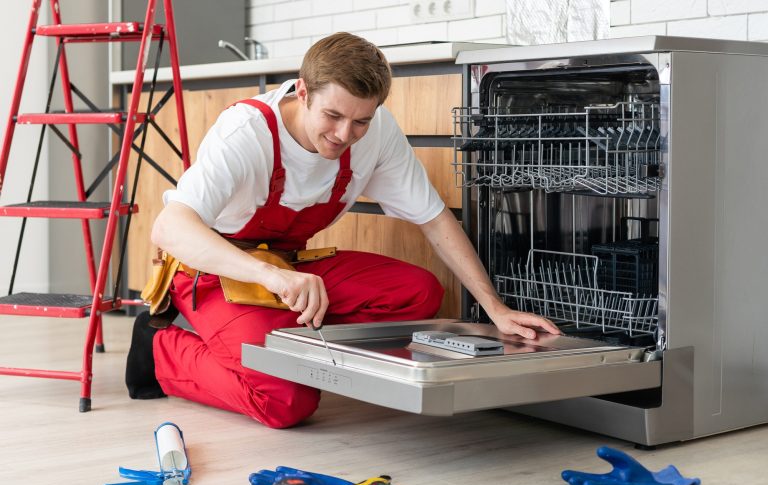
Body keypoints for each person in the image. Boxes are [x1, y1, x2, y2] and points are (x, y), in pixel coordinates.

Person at [126, 32, 560, 429]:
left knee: (420, 293)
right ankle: (159, 349)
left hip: (290, 268)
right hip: (219, 271)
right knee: (284, 403)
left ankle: (280, 343)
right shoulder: (247, 132)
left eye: (360, 122)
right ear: (302, 91)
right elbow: (170, 227)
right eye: (332, 116)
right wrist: (272, 277)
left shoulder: (376, 133)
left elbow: (433, 217)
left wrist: (494, 308)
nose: (343, 134)